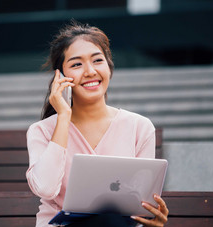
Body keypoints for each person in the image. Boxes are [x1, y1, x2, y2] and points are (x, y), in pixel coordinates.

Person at [26, 20, 169, 227]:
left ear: (109, 66)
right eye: (76, 64)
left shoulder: (140, 127)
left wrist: (150, 220)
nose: (90, 71)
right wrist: (63, 117)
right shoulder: (41, 131)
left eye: (97, 60)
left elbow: (140, 204)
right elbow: (46, 189)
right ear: (61, 77)